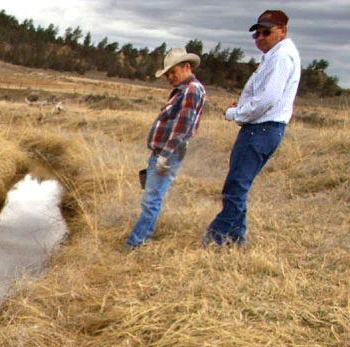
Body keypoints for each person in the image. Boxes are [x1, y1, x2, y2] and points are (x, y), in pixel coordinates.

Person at [204, 10, 300, 246]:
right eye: (256, 34)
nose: (260, 38)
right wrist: (245, 106)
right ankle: (236, 239)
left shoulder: (280, 57)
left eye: (266, 32)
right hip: (264, 129)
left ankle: (216, 238)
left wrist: (237, 113)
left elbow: (267, 99)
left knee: (235, 187)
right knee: (238, 185)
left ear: (282, 31)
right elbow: (264, 98)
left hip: (261, 130)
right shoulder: (276, 56)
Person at [126, 47, 206, 249]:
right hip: (163, 153)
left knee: (150, 200)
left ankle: (136, 244)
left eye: (173, 72)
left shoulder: (191, 90)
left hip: (168, 154)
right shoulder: (184, 89)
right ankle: (143, 239)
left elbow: (183, 127)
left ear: (186, 67)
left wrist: (164, 156)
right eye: (167, 74)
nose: (169, 77)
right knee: (152, 197)